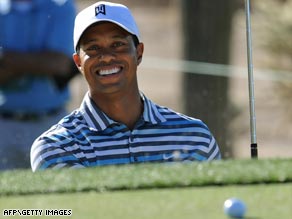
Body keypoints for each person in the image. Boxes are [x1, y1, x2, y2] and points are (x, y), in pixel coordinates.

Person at [30, 1, 221, 171]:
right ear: (78, 62)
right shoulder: (56, 146)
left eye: (118, 44)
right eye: (93, 48)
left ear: (139, 53)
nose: (106, 56)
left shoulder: (194, 137)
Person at [0, 0, 77, 170]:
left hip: (50, 123)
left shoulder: (61, 6)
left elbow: (59, 64)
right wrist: (38, 61)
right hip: (3, 126)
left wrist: (6, 59)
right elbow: (51, 62)